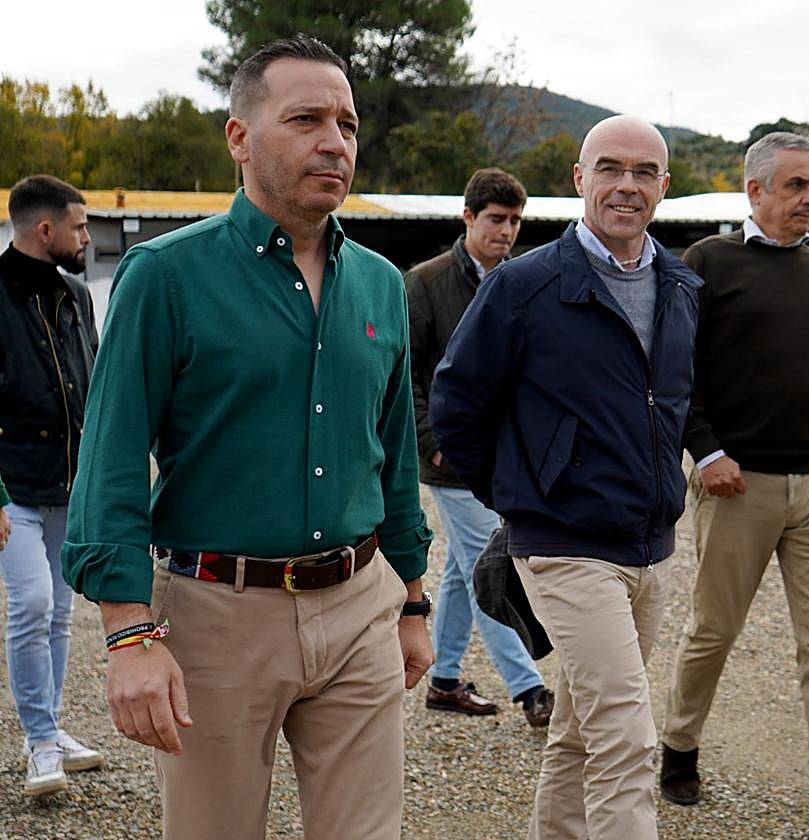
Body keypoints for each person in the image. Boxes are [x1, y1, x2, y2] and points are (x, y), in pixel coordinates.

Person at [60, 36, 433, 839]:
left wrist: (410, 599)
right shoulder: (165, 276)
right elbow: (112, 456)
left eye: (348, 123)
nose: (335, 142)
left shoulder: (379, 283)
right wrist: (127, 634)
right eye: (305, 119)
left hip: (361, 605)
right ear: (239, 137)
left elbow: (392, 449)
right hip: (215, 618)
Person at [430, 115, 700, 840]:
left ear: (664, 187)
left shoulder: (680, 287)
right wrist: (526, 490)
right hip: (563, 545)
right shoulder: (525, 285)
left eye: (645, 173)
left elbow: (676, 403)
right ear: (580, 179)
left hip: (648, 548)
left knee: (582, 730)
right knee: (627, 736)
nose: (627, 185)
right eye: (610, 168)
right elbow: (457, 405)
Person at [659, 132, 809, 840]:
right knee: (714, 630)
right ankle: (678, 745)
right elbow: (681, 377)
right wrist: (706, 453)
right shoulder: (707, 263)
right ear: (756, 191)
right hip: (741, 486)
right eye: (797, 186)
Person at [406, 167, 554, 726]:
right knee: (493, 565)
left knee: (464, 571)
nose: (507, 230)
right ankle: (530, 689)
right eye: (496, 219)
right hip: (452, 459)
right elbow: (408, 374)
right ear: (467, 217)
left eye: (516, 220)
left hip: (505, 456)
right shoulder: (424, 282)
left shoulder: (522, 279)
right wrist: (433, 444)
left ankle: (443, 681)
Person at [0, 175, 103, 797]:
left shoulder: (75, 294)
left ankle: (53, 728)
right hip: (12, 489)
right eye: (81, 227)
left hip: (71, 485)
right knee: (31, 606)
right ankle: (39, 743)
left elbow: (91, 381)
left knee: (61, 613)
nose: (88, 236)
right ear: (46, 231)